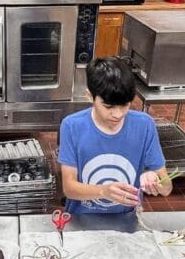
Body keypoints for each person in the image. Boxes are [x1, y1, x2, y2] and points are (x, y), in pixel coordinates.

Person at [59, 57, 173, 214]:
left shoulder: (144, 125)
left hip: (126, 218)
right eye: (108, 106)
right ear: (90, 96)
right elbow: (69, 188)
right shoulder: (72, 126)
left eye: (125, 105)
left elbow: (167, 187)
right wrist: (102, 191)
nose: (118, 114)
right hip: (82, 218)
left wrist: (155, 181)